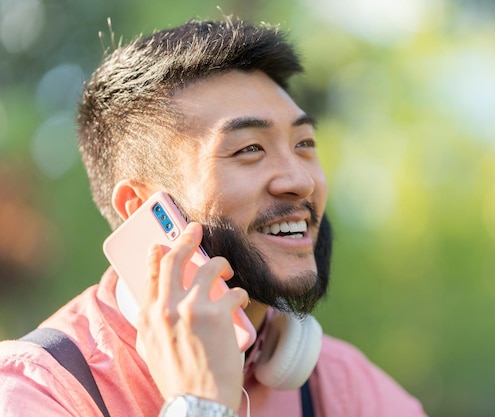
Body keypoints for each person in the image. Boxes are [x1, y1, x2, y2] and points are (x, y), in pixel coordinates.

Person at [0, 17, 426, 417]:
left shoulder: (347, 388)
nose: (300, 181)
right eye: (249, 149)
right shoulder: (37, 392)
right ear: (141, 208)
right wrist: (200, 404)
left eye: (304, 144)